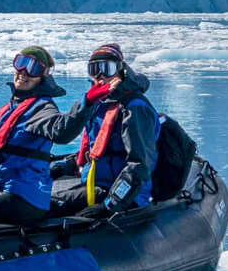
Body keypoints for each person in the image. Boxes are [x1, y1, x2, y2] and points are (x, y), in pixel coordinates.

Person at [0, 44, 81, 225]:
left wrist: (85, 105)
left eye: (33, 68)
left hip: (21, 197)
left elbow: (61, 131)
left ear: (44, 75)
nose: (23, 72)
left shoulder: (41, 108)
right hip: (3, 188)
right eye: (21, 63)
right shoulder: (8, 109)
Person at [57, 43, 164, 211]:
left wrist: (112, 203)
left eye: (107, 68)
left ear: (120, 70)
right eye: (94, 69)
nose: (99, 75)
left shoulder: (134, 108)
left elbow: (139, 165)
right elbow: (96, 147)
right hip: (96, 186)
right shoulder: (98, 103)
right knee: (53, 204)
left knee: (57, 207)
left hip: (126, 196)